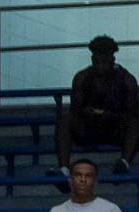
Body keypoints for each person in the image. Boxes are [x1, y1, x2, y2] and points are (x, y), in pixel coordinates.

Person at [53, 35, 139, 179]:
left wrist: (111, 115)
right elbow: (76, 111)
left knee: (136, 122)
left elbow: (132, 113)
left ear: (112, 60)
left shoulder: (127, 81)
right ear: (92, 59)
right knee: (64, 120)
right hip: (90, 128)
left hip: (116, 129)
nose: (100, 66)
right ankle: (64, 169)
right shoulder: (81, 78)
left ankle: (124, 163)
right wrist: (88, 113)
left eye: (104, 62)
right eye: (97, 61)